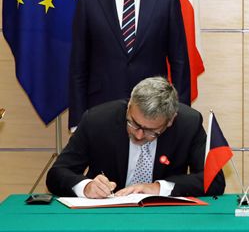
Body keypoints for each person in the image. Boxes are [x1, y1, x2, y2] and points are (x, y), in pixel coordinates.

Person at [69, 0, 190, 128]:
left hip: (154, 112)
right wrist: (77, 121)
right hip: (101, 111)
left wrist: (180, 115)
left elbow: (180, 62)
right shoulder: (88, 0)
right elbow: (78, 66)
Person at [46, 77, 225, 198]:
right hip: (105, 217)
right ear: (130, 106)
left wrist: (158, 188)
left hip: (165, 219)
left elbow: (214, 181)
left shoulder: (188, 124)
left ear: (170, 121)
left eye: (151, 131)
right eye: (134, 123)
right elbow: (57, 174)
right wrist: (85, 187)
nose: (139, 135)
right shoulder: (97, 120)